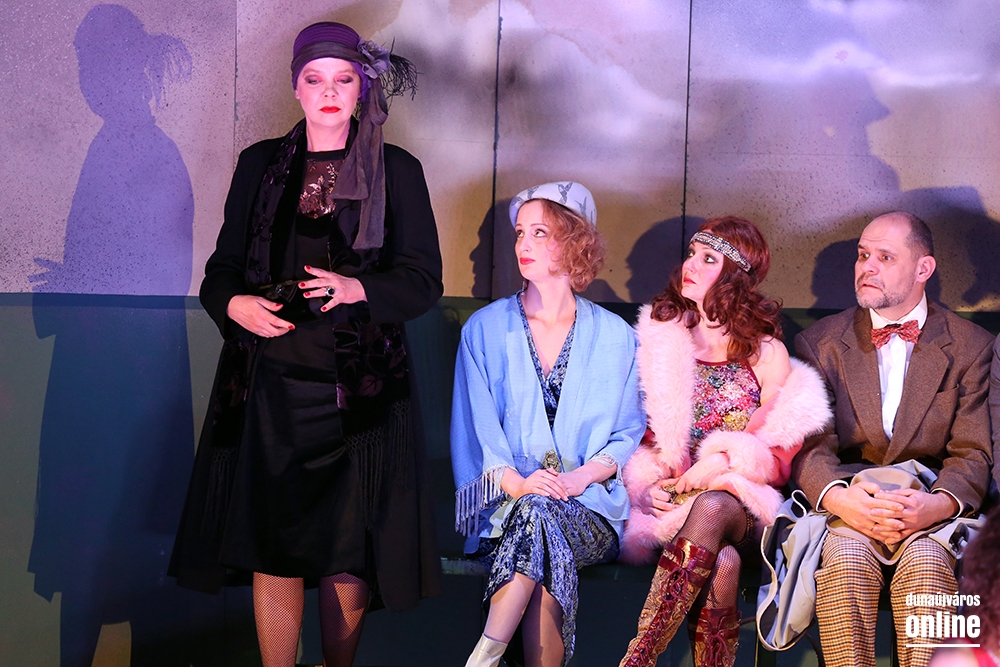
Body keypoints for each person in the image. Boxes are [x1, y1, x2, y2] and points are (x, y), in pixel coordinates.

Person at [169, 22, 443, 667]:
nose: (329, 92)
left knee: (348, 547)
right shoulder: (260, 164)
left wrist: (356, 289)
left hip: (359, 394)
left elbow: (422, 280)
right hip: (269, 386)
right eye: (315, 80)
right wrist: (232, 304)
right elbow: (223, 269)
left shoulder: (397, 169)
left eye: (343, 80)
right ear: (296, 87)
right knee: (273, 544)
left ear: (361, 89)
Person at [616, 216, 832, 667]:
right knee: (724, 563)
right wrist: (645, 488)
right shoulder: (663, 341)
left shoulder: (765, 351)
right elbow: (644, 438)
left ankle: (638, 658)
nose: (690, 265)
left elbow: (776, 455)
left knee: (714, 506)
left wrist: (720, 465)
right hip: (676, 509)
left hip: (746, 508)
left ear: (735, 276)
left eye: (708, 259)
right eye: (692, 254)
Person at [451, 182, 645, 667]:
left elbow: (626, 432)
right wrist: (519, 485)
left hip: (590, 510)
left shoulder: (617, 336)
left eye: (540, 233)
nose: (524, 244)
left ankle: (484, 655)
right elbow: (475, 431)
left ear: (574, 241)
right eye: (520, 233)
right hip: (506, 509)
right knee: (538, 523)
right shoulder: (484, 330)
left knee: (541, 519)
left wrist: (580, 478)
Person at [791, 211, 993, 667]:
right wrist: (842, 500)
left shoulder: (971, 346)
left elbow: (972, 451)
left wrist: (935, 506)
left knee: (928, 564)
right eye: (863, 255)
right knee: (845, 559)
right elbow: (812, 446)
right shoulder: (820, 343)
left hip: (930, 509)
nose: (867, 267)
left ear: (923, 268)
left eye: (885, 257)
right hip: (849, 503)